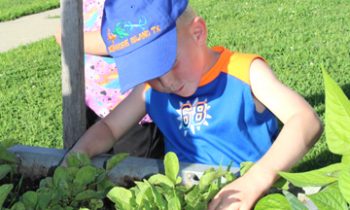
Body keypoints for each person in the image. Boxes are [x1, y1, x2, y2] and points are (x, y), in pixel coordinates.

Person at [64, 0, 323, 209]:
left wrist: (255, 180)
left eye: (170, 62)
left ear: (197, 33)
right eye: (151, 73)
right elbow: (109, 128)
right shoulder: (148, 91)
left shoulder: (244, 72)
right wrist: (80, 153)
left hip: (253, 197)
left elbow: (306, 120)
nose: (165, 82)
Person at [55, 0, 164, 159]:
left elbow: (134, 36)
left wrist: (72, 37)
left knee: (132, 171)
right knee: (93, 164)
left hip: (132, 109)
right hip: (93, 103)